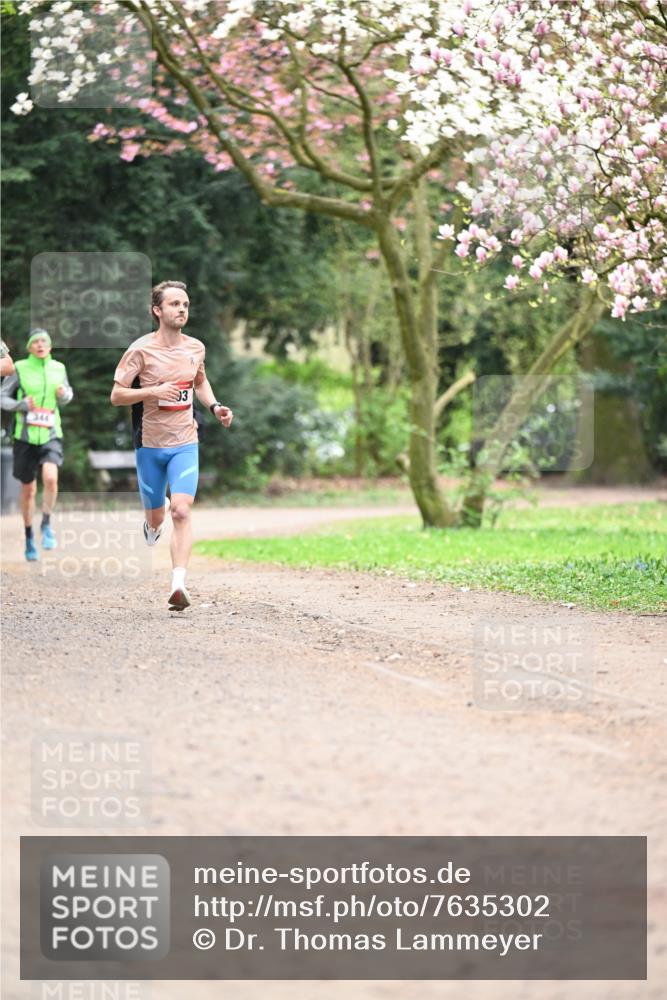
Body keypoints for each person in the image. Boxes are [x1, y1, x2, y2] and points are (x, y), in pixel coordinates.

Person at [110, 280, 233, 611]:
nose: (182, 309)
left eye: (186, 305)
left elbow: (201, 382)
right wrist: (152, 392)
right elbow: (116, 395)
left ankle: (178, 585)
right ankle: (153, 520)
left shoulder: (195, 348)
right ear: (157, 310)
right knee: (157, 517)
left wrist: (215, 406)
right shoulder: (140, 350)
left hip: (185, 442)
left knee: (182, 510)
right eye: (175, 304)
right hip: (149, 445)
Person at [0, 329, 73, 560]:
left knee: (51, 478)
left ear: (50, 346)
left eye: (45, 341)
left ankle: (47, 523)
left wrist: (64, 395)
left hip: (51, 433)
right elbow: (3, 397)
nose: (41, 345)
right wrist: (21, 404)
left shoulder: (58, 368)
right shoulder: (19, 368)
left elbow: (68, 395)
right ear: (30, 347)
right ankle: (29, 535)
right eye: (36, 342)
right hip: (25, 436)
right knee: (28, 490)